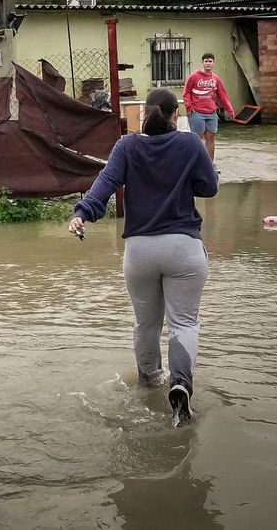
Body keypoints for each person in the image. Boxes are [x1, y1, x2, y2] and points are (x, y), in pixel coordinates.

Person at [68, 87, 218, 426]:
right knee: (184, 323)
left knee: (146, 324)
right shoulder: (191, 143)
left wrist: (82, 213)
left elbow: (105, 184)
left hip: (140, 251)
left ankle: (149, 385)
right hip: (183, 248)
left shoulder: (126, 146)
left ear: (145, 114)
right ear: (173, 116)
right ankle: (180, 384)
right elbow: (209, 188)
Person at [182, 52, 234, 159]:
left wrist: (230, 110)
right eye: (206, 61)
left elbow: (222, 95)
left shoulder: (216, 79)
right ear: (202, 63)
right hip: (196, 112)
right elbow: (186, 92)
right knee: (197, 139)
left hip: (211, 113)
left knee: (210, 138)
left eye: (210, 61)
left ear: (213, 63)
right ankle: (196, 163)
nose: (208, 63)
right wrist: (188, 107)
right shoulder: (194, 76)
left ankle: (210, 164)